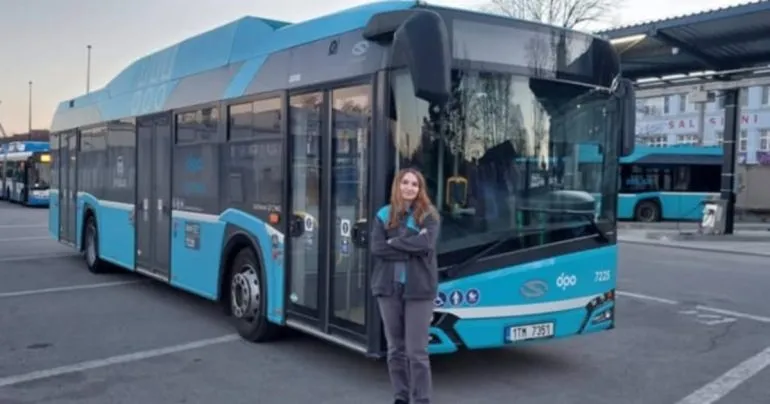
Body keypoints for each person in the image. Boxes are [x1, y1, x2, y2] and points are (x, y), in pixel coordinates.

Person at [370, 167, 440, 404]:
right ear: (397, 186)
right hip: (388, 289)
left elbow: (427, 243)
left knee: (416, 352)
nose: (409, 187)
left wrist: (395, 242)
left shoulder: (428, 215)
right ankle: (401, 397)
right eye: (405, 182)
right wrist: (411, 243)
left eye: (415, 184)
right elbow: (377, 248)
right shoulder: (383, 214)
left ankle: (422, 400)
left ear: (420, 189)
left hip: (419, 291)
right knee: (395, 350)